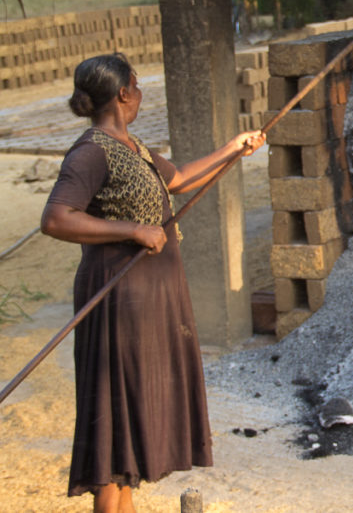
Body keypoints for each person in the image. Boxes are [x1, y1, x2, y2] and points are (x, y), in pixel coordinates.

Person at [40, 53, 266, 513]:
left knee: (133, 424)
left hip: (152, 302)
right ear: (123, 93)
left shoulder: (132, 147)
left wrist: (233, 148)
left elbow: (179, 178)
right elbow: (57, 218)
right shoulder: (92, 151)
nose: (141, 93)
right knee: (116, 424)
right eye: (138, 85)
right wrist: (132, 229)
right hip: (121, 301)